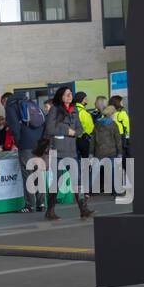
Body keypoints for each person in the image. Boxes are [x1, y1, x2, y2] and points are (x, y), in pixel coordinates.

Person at [42, 85, 93, 221]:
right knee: (56, 183)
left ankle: (83, 210)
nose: (70, 96)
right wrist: (67, 131)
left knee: (77, 181)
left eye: (71, 94)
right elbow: (50, 129)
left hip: (71, 151)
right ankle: (50, 211)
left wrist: (75, 132)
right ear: (61, 96)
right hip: (57, 152)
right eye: (66, 94)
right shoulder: (54, 110)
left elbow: (80, 129)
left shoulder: (75, 109)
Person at [2, 90, 45, 213]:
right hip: (39, 142)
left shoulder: (10, 106)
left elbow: (14, 127)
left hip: (26, 144)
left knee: (28, 174)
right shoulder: (30, 102)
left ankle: (30, 205)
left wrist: (19, 142)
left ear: (5, 100)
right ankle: (41, 203)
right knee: (38, 174)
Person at [92, 104, 124, 194]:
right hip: (111, 152)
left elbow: (93, 140)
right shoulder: (113, 124)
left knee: (94, 173)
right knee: (114, 172)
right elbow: (118, 140)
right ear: (112, 114)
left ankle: (89, 191)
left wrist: (91, 153)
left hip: (99, 152)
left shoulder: (97, 124)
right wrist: (120, 153)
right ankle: (116, 191)